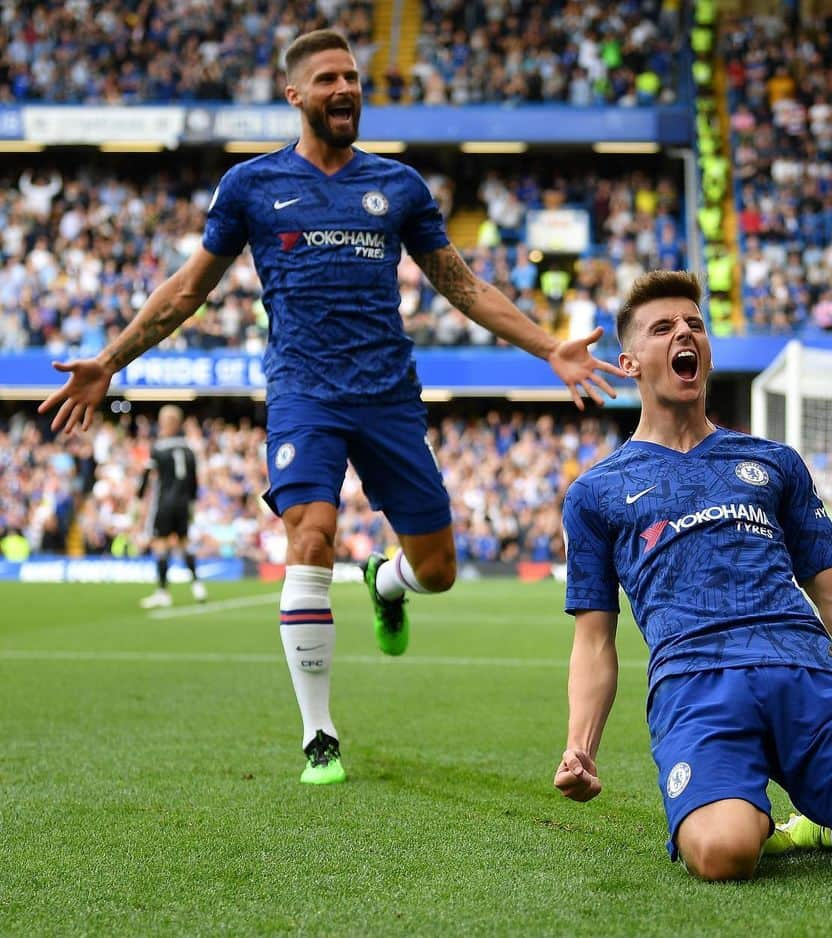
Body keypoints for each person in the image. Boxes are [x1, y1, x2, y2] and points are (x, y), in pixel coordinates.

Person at [39, 29, 621, 786]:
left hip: (387, 396)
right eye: (328, 79)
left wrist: (548, 347)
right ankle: (320, 735)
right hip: (303, 394)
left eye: (352, 76)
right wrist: (109, 363)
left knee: (438, 571)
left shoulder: (400, 186)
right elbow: (187, 291)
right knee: (309, 539)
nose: (346, 88)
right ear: (295, 95)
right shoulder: (251, 186)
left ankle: (386, 584)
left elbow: (463, 285)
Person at [553, 270, 832, 880]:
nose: (683, 334)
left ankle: (828, 819)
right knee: (725, 854)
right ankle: (757, 817)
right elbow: (593, 639)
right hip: (696, 687)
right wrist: (580, 746)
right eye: (663, 327)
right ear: (630, 361)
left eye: (694, 324)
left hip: (809, 675)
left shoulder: (772, 462)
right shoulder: (595, 492)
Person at [137, 404, 206, 609]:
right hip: (184, 503)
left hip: (165, 502)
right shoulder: (188, 449)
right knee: (184, 543)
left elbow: (147, 475)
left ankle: (162, 592)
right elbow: (194, 481)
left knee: (160, 544)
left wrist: (139, 496)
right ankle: (197, 585)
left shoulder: (159, 448)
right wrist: (192, 502)